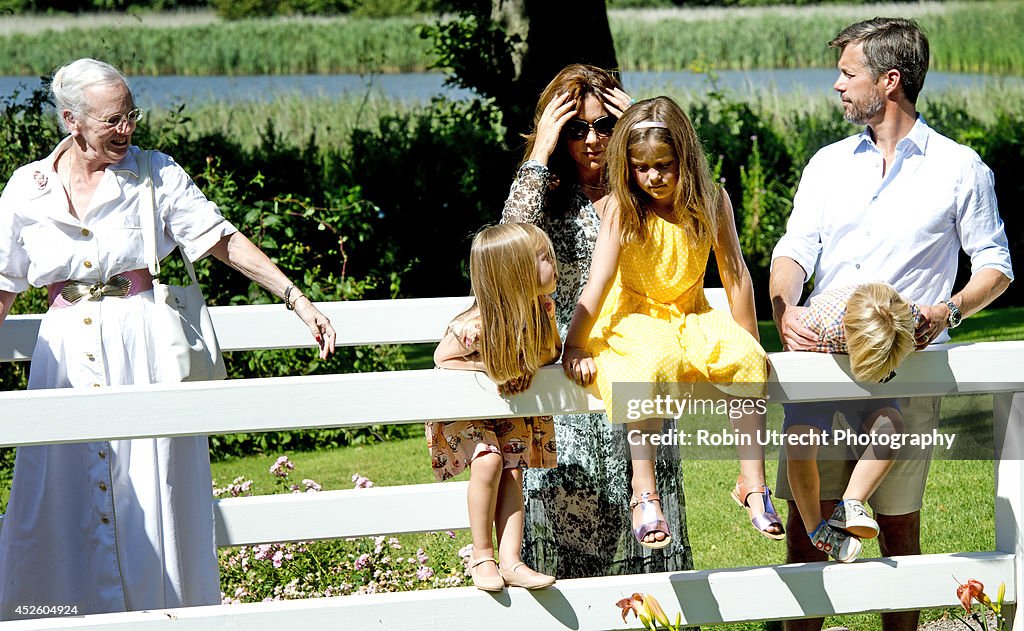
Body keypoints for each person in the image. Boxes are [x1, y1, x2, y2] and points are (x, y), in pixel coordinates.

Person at [0, 58, 337, 619]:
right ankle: (53, 617)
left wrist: (294, 296)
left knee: (153, 487)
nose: (127, 129)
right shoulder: (26, 188)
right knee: (56, 494)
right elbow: (2, 284)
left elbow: (220, 240)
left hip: (143, 347)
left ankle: (169, 614)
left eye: (131, 115)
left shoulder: (155, 173)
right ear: (70, 121)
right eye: (113, 120)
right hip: (61, 358)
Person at [769, 18, 1013, 631]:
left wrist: (948, 310)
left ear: (891, 81)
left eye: (849, 74)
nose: (837, 86)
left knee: (898, 539)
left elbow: (996, 268)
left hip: (905, 375)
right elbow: (793, 251)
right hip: (821, 370)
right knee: (806, 540)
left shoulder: (960, 168)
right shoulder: (826, 164)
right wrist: (785, 310)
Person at [562, 96, 782, 551]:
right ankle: (644, 494)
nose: (653, 177)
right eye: (640, 167)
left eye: (663, 164)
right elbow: (600, 279)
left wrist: (753, 346)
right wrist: (576, 344)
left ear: (684, 155)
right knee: (651, 362)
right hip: (632, 316)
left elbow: (736, 274)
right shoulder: (625, 207)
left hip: (690, 312)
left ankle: (752, 483)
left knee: (744, 359)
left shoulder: (711, 199)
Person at [502, 64, 695, 576]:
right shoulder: (546, 193)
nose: (591, 139)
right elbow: (507, 250)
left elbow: (700, 202)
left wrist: (643, 128)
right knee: (577, 549)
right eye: (575, 129)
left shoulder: (644, 189)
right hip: (570, 377)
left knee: (649, 548)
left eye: (603, 126)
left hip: (637, 363)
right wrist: (540, 154)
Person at [426, 223, 559, 591]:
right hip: (468, 409)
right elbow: (443, 358)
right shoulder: (477, 323)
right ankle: (483, 555)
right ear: (515, 271)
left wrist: (525, 363)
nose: (554, 263)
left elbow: (551, 352)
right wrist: (493, 367)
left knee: (514, 469)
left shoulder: (542, 308)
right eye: (544, 258)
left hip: (506, 407)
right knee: (489, 461)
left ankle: (512, 560)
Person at [784, 283, 921, 563]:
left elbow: (924, 325)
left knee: (890, 427)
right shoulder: (818, 326)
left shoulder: (906, 318)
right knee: (800, 443)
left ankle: (850, 503)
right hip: (816, 367)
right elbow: (792, 346)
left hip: (872, 378)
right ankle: (816, 529)